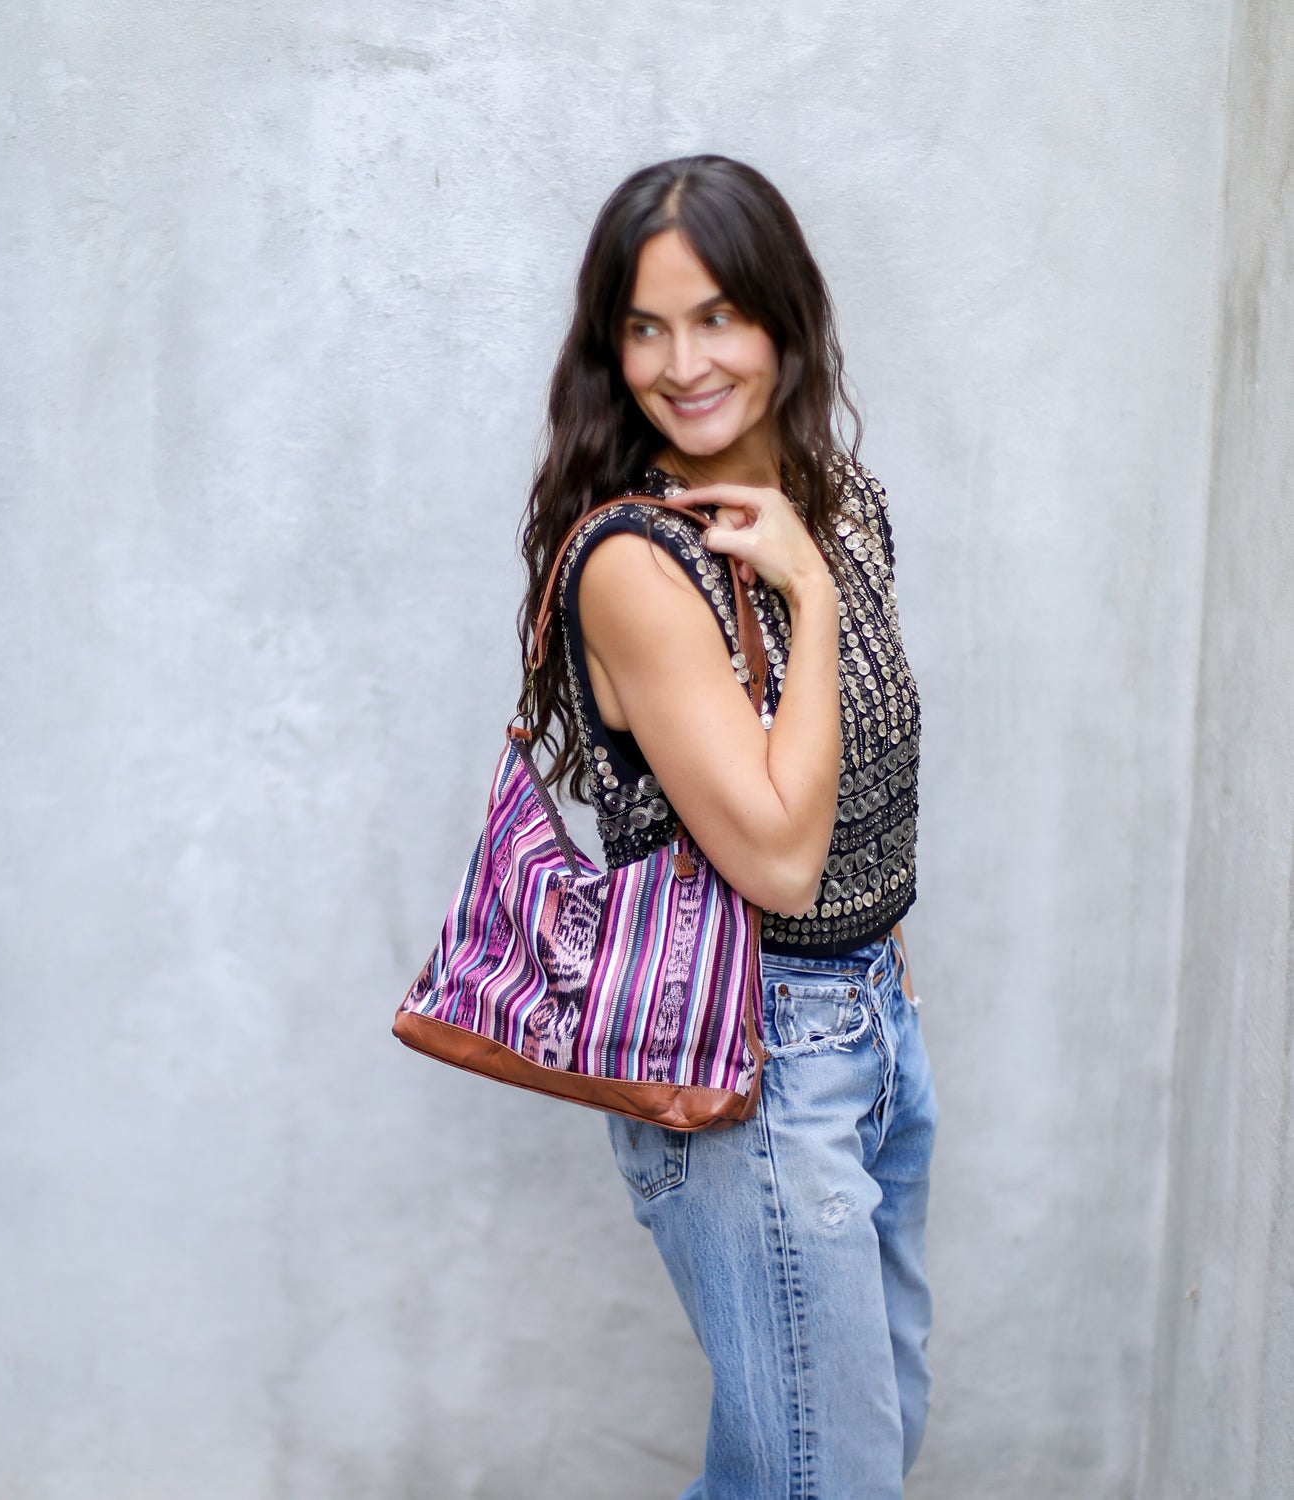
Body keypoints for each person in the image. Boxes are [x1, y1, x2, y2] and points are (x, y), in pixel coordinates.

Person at [517, 156, 937, 1499]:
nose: (681, 364)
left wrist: (883, 977)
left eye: (715, 318)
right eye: (644, 327)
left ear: (783, 318)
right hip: (753, 1062)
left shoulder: (841, 504)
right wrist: (806, 591)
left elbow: (862, 790)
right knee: (826, 1480)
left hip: (870, 1029)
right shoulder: (637, 566)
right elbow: (778, 858)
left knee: (836, 1460)